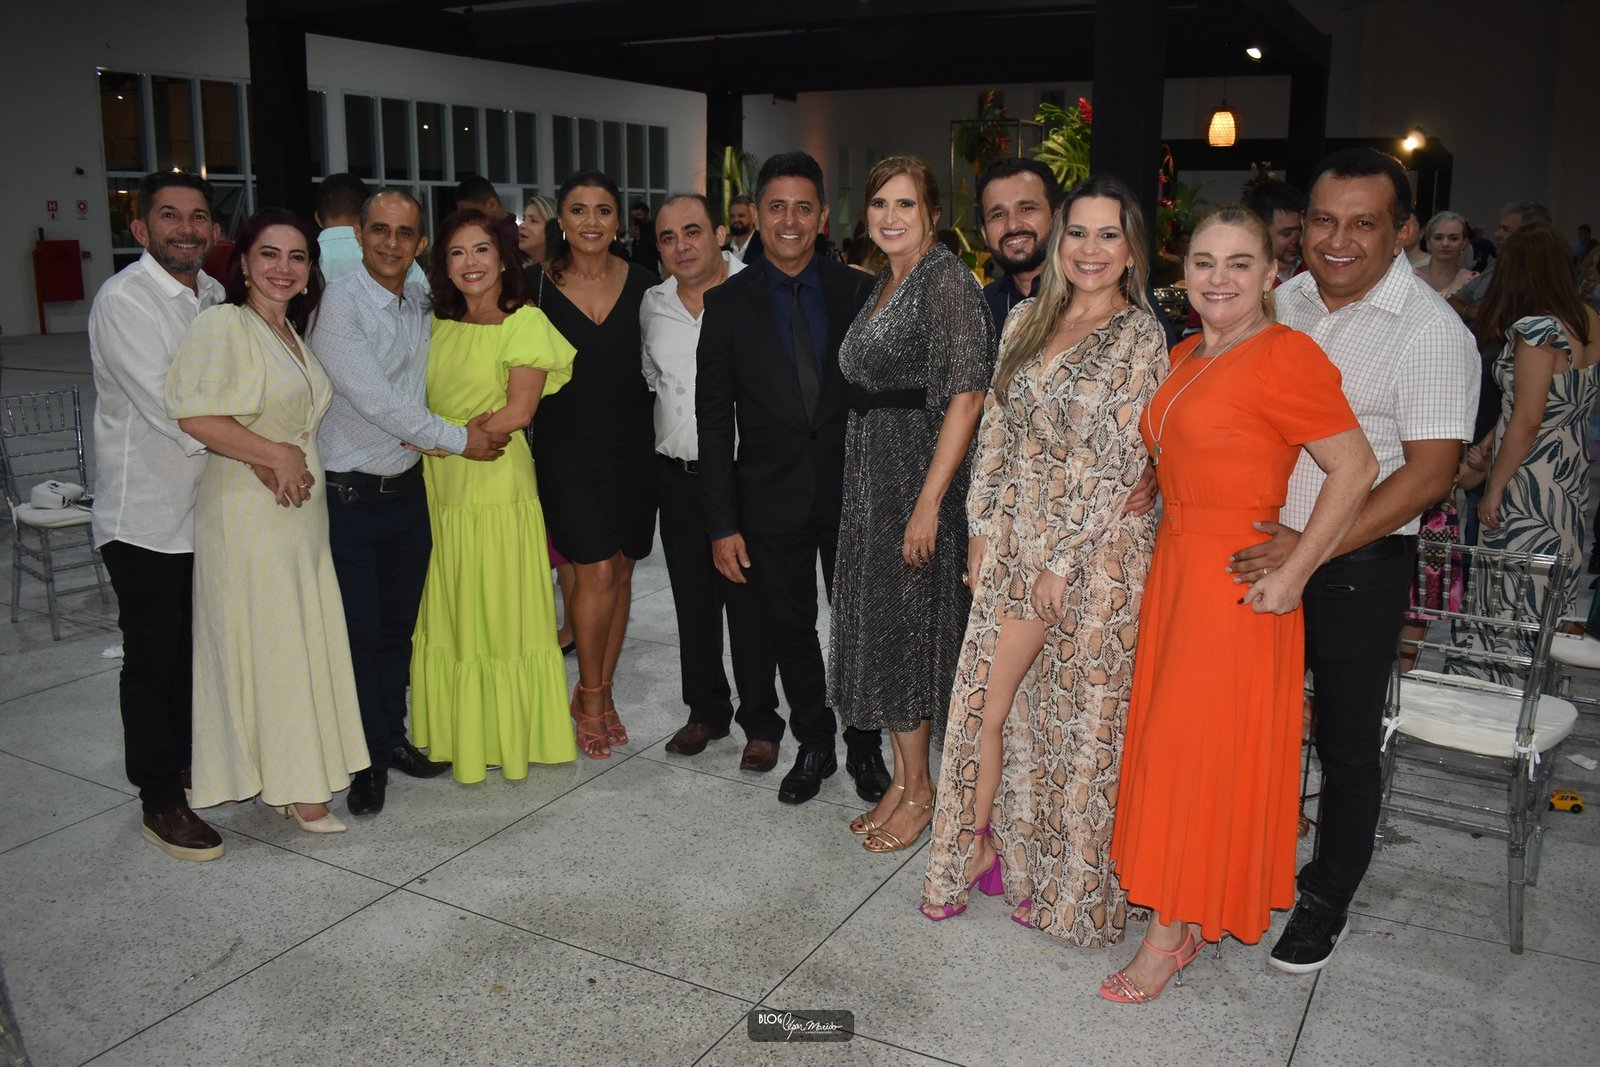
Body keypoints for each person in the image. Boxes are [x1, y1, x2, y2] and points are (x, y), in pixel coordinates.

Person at [1102, 209, 1377, 1003]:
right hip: (1178, 569)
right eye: (1204, 261)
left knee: (1194, 751)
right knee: (1175, 745)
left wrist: (1296, 571)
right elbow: (1187, 435)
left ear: (1270, 275)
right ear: (1183, 272)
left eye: (1239, 262)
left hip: (1235, 582)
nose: (1218, 277)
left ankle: (1166, 936)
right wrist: (1154, 479)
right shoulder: (1186, 352)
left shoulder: (1286, 354)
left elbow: (1356, 468)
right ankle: (1186, 907)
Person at [1227, 148, 1479, 974]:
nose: (1337, 240)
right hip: (1259, 548)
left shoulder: (1431, 331)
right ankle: (1244, 865)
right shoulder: (1283, 299)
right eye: (1323, 221)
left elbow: (1429, 477)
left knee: (1343, 742)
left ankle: (1326, 897)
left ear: (1404, 230)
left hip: (1357, 563)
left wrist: (1308, 547)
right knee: (1252, 725)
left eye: (1363, 223)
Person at [920, 175, 1166, 941]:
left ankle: (1068, 887)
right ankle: (989, 849)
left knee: (1076, 728)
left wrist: (1061, 559)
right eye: (1078, 232)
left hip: (1097, 557)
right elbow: (996, 428)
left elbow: (1119, 462)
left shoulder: (1141, 336)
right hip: (1015, 541)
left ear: (1132, 251)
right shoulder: (1027, 317)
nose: (1090, 249)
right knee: (994, 711)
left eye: (1108, 234)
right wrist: (980, 525)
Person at [164, 207, 368, 834]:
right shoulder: (223, 324)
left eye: (297, 256)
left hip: (297, 514)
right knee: (271, 643)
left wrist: (280, 455)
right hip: (248, 514)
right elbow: (196, 414)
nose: (284, 267)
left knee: (294, 639)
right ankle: (297, 786)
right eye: (270, 254)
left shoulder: (291, 333)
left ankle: (290, 772)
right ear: (244, 265)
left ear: (310, 271)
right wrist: (272, 455)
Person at [311, 188, 513, 816]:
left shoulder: (421, 300)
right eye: (380, 230)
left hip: (407, 494)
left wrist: (434, 432)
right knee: (361, 633)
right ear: (359, 235)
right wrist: (456, 438)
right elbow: (377, 400)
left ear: (420, 244)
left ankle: (389, 737)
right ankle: (365, 761)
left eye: (404, 233)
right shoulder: (341, 304)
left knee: (399, 631)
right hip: (351, 497)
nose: (391, 243)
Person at [697, 151, 888, 805]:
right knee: (791, 627)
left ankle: (865, 744)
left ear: (823, 216)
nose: (789, 220)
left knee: (857, 625)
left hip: (854, 494)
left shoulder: (859, 292)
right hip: (768, 498)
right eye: (776, 206)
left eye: (803, 207)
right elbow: (713, 421)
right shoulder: (726, 303)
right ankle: (814, 742)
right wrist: (721, 523)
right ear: (755, 213)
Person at [828, 156, 993, 853]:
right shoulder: (885, 282)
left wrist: (928, 503)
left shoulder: (944, 279)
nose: (890, 217)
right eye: (879, 204)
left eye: (905, 204)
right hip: (873, 480)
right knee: (884, 630)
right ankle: (902, 779)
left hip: (916, 482)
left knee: (908, 636)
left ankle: (923, 790)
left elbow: (968, 394)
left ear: (932, 214)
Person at [409, 208, 578, 780]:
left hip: (496, 478)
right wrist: (438, 439)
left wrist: (445, 439)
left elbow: (520, 410)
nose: (470, 263)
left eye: (481, 249)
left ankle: (509, 735)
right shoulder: (435, 323)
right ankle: (459, 733)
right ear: (443, 264)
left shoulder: (523, 321)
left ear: (504, 258)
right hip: (442, 483)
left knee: (499, 608)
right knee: (453, 605)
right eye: (456, 253)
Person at [89, 170, 226, 860]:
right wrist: (267, 450)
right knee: (152, 658)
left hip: (206, 512)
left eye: (198, 216)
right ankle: (159, 799)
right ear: (140, 228)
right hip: (144, 516)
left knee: (192, 653)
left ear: (214, 230)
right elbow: (175, 411)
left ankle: (185, 763)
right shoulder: (125, 301)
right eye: (170, 216)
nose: (186, 229)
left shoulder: (215, 295)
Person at [642, 194, 782, 765]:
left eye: (692, 231)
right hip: (679, 479)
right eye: (668, 237)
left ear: (720, 233)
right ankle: (705, 712)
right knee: (692, 602)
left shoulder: (759, 292)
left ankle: (761, 722)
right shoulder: (652, 304)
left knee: (750, 606)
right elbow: (650, 378)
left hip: (746, 480)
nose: (682, 246)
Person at [525, 171, 658, 758]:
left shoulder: (647, 285)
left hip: (634, 446)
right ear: (562, 220)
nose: (591, 222)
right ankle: (594, 696)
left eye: (603, 210)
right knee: (595, 569)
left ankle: (596, 691)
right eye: (578, 210)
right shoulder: (533, 288)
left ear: (618, 220)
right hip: (565, 448)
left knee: (622, 569)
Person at [1451, 223, 1600, 680]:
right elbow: (1543, 406)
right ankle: (1532, 696)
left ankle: (1498, 696)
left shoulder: (1536, 330)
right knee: (1542, 592)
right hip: (1567, 476)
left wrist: (1495, 487)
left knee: (1509, 595)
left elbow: (1528, 417)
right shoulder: (1588, 320)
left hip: (1529, 482)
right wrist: (1485, 446)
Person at [516, 192, 576, 651]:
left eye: (534, 220)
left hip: (560, 422)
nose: (523, 225)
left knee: (564, 540)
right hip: (532, 428)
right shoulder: (524, 280)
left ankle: (573, 626)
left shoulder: (563, 282)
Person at [975, 156, 1062, 332]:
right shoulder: (980, 309)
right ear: (985, 234)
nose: (1013, 225)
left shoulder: (1088, 299)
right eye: (998, 215)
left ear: (1056, 217)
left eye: (1026, 209)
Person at [1451, 200, 1554, 321]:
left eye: (1506, 229)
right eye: (1499, 227)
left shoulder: (1544, 279)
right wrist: (1470, 312)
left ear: (1530, 234)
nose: (1497, 234)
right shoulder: (1494, 267)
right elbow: (1452, 301)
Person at [1244, 180, 1308, 286]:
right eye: (1287, 233)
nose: (1297, 240)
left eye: (1301, 230)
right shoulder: (1246, 278)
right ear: (1261, 232)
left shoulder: (1315, 272)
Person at [1414, 210, 1478, 298]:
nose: (1445, 244)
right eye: (1438, 238)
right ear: (1428, 241)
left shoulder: (1471, 280)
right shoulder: (1412, 276)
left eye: (1454, 238)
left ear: (1464, 243)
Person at [454, 175, 520, 257]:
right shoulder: (492, 233)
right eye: (464, 215)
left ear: (492, 204)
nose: (468, 219)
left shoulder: (507, 238)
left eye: (473, 214)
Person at [517, 194, 559, 267]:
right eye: (524, 219)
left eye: (533, 221)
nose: (522, 225)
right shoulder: (522, 270)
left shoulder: (564, 271)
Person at [724, 194, 760, 262]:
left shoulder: (764, 247)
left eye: (741, 216)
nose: (736, 220)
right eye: (732, 216)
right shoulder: (724, 249)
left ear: (753, 216)